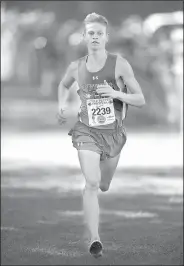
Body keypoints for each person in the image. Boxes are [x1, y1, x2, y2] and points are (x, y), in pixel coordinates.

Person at [57, 13, 145, 257]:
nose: (95, 37)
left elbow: (140, 99)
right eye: (90, 33)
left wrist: (116, 94)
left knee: (104, 184)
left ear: (106, 37)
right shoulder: (75, 66)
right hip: (86, 131)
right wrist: (61, 106)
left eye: (99, 33)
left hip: (113, 134)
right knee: (92, 183)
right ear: (84, 37)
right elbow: (63, 85)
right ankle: (95, 239)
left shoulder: (120, 64)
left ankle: (100, 182)